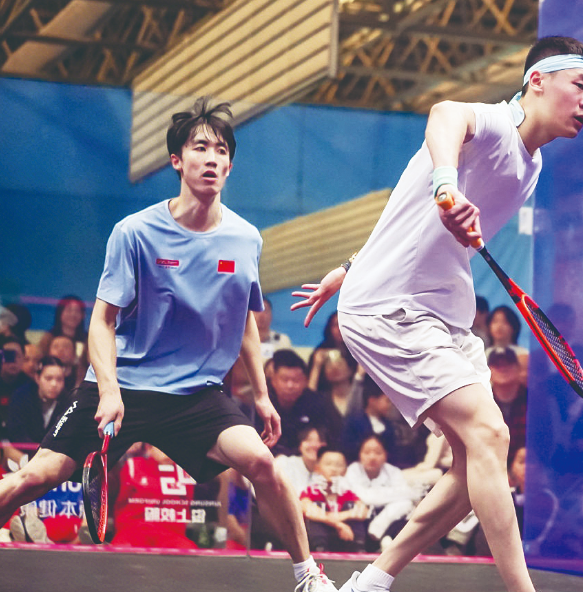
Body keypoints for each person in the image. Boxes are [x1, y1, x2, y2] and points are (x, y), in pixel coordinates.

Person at [292, 36, 583, 592]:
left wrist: (349, 264)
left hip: (442, 312)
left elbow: (408, 219)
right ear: (537, 81)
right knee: (489, 433)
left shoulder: (531, 166)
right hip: (389, 307)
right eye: (580, 84)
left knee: (476, 460)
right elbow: (444, 114)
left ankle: (370, 583)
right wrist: (446, 188)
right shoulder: (494, 124)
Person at [0, 98, 337, 592]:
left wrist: (262, 395)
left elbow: (243, 319)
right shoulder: (134, 232)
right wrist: (109, 390)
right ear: (177, 160)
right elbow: (102, 321)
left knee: (264, 464)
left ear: (230, 165)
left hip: (195, 396)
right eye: (200, 147)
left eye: (221, 150)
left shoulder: (246, 239)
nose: (211, 158)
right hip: (124, 387)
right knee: (37, 477)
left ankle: (309, 575)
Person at [344, 435, 417, 551]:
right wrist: (390, 495)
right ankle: (382, 539)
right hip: (364, 517)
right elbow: (364, 498)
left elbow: (409, 494)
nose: (372, 457)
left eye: (378, 453)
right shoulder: (353, 470)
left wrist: (375, 495)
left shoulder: (394, 471)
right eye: (367, 452)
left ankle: (380, 532)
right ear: (360, 454)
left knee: (406, 504)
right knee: (402, 502)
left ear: (385, 455)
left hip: (389, 521)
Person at [265, 349, 341, 456]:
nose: (290, 385)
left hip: (307, 459)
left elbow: (329, 437)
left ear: (305, 381)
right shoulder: (264, 404)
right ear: (274, 381)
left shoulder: (317, 403)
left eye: (296, 380)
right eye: (284, 380)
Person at [300, 446, 370, 552]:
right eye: (328, 464)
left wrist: (341, 516)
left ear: (345, 471)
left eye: (338, 465)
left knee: (351, 506)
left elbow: (363, 511)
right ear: (317, 468)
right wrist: (338, 524)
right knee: (316, 508)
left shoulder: (347, 493)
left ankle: (359, 550)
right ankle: (320, 550)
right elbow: (308, 511)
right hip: (316, 541)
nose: (333, 469)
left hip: (345, 537)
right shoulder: (310, 491)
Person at [258, 297, 294, 362]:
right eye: (257, 311)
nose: (261, 315)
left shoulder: (282, 340)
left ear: (271, 315)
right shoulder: (242, 341)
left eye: (265, 310)